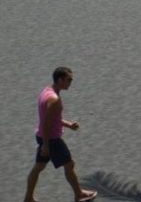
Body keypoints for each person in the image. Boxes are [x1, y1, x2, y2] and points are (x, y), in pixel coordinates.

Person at [24, 67, 98, 202]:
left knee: (38, 167)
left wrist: (68, 125)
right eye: (68, 80)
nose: (71, 83)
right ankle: (79, 194)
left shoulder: (46, 91)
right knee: (69, 165)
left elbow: (51, 119)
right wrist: (46, 146)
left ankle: (28, 198)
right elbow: (47, 124)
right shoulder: (54, 100)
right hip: (51, 140)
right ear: (60, 80)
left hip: (41, 136)